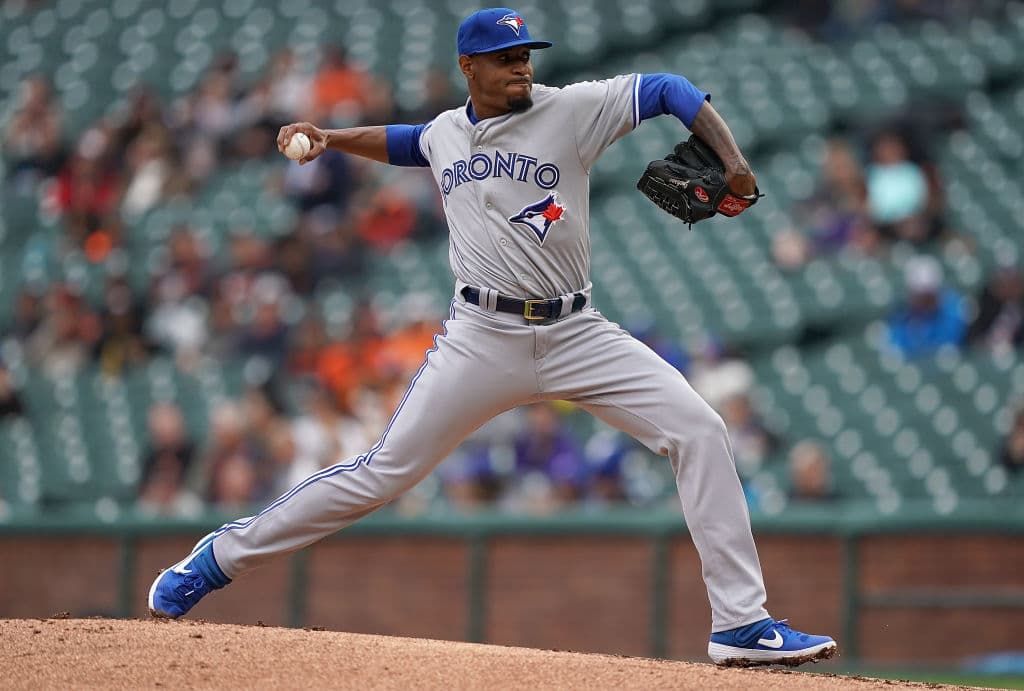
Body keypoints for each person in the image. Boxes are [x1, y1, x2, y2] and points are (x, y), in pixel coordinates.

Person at [148, 8, 836, 666]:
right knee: (383, 472)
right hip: (481, 336)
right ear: (467, 66)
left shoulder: (570, 111)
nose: (520, 69)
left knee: (700, 427)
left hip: (576, 332)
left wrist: (733, 159)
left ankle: (741, 623)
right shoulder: (447, 131)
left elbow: (669, 90)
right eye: (505, 59)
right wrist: (331, 138)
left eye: (525, 56)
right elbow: (404, 141)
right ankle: (217, 558)